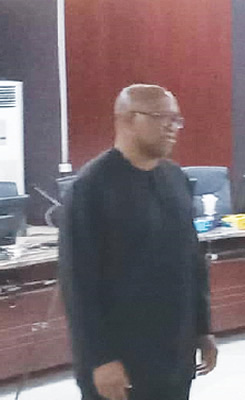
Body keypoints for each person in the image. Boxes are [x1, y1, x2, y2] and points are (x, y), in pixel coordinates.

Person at [59, 84, 217, 400]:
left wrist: (203, 329)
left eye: (176, 120)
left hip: (175, 353)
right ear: (128, 119)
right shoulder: (91, 188)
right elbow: (78, 284)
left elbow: (192, 261)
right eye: (162, 118)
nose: (173, 128)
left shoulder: (176, 179)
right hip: (120, 358)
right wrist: (100, 358)